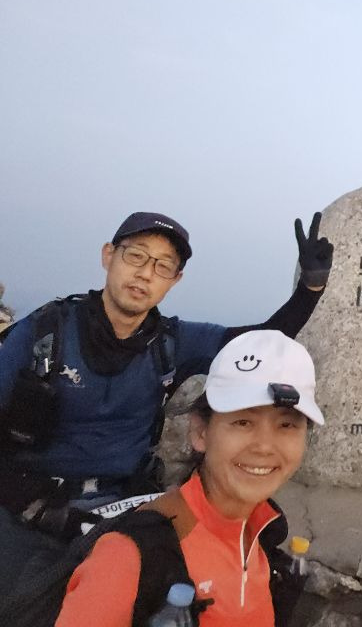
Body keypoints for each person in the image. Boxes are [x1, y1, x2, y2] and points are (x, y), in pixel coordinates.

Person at [0, 210, 332, 523]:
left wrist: (310, 289)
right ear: (108, 256)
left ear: (175, 279)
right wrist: (27, 502)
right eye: (136, 256)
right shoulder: (43, 334)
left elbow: (258, 343)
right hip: (32, 504)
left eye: (163, 266)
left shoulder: (172, 342)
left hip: (126, 502)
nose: (145, 273)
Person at [55, 328, 325, 626]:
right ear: (200, 431)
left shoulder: (262, 537)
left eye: (286, 425)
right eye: (243, 422)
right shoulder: (127, 556)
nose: (264, 446)